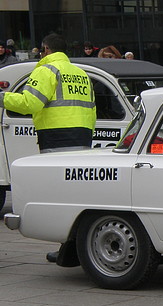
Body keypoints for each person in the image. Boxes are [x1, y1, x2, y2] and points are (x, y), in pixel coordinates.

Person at [0, 33, 97, 263]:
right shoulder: (80, 72)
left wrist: (3, 98)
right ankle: (76, 246)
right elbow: (93, 107)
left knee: (60, 194)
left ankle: (67, 248)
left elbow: (30, 103)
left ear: (46, 49)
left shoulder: (46, 71)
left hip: (56, 137)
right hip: (82, 135)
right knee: (77, 194)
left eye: (41, 50)